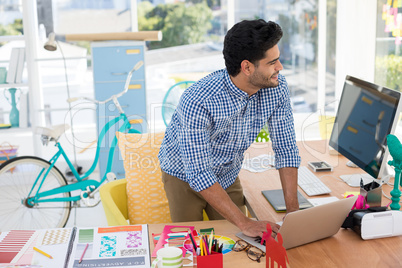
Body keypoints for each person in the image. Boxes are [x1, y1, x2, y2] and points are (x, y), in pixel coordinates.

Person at [158, 19, 301, 238]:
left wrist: (294, 213)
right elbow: (198, 173)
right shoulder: (198, 99)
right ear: (247, 67)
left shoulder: (276, 87)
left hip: (227, 173)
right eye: (272, 62)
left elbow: (286, 149)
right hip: (183, 176)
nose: (279, 68)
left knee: (239, 244)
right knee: (191, 245)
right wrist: (245, 222)